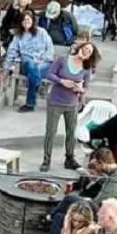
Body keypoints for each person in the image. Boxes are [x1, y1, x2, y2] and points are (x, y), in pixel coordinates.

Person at [40, 41, 98, 171]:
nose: (86, 52)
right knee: (51, 132)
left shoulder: (86, 68)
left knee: (71, 133)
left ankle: (70, 158)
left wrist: (80, 89)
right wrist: (61, 81)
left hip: (72, 104)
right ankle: (46, 159)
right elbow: (49, 74)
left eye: (89, 52)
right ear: (80, 48)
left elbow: (85, 88)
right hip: (55, 101)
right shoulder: (62, 60)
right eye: (85, 49)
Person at [5, 10, 56, 113]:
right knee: (29, 62)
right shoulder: (18, 36)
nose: (26, 22)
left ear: (33, 20)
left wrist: (41, 61)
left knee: (34, 70)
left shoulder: (42, 32)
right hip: (26, 63)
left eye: (28, 19)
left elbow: (50, 50)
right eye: (23, 20)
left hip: (43, 63)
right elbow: (12, 52)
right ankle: (38, 87)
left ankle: (30, 104)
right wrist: (7, 68)